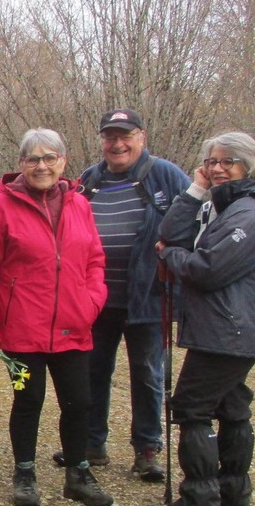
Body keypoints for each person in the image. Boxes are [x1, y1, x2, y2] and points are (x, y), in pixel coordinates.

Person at [150, 132, 255, 506]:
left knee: (192, 408)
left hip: (228, 330)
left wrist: (171, 255)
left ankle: (200, 503)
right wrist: (195, 189)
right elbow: (171, 231)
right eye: (211, 161)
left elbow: (207, 270)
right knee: (231, 405)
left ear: (249, 165)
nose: (216, 168)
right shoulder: (226, 205)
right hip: (229, 327)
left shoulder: (252, 215)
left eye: (227, 161)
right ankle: (234, 494)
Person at [0, 128, 114, 506]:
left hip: (73, 326)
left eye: (50, 158)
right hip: (21, 330)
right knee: (27, 399)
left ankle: (78, 472)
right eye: (33, 159)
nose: (42, 166)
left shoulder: (79, 205)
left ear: (62, 162)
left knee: (80, 402)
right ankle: (24, 472)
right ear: (21, 163)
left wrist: (91, 302)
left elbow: (95, 260)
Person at [53, 108, 192, 481]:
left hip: (148, 296)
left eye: (125, 136)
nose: (117, 144)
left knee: (147, 372)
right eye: (110, 137)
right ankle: (91, 443)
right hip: (96, 298)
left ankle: (147, 448)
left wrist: (176, 255)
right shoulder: (89, 180)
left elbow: (195, 219)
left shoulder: (166, 176)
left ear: (141, 137)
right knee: (92, 370)